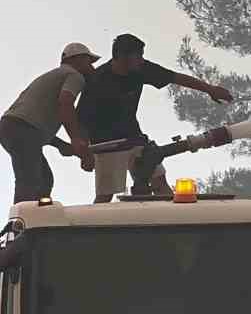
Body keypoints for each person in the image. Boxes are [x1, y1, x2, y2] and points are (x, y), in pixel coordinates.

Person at [72, 33, 233, 202]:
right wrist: (85, 153)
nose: (141, 60)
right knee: (106, 195)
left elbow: (176, 77)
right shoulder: (98, 81)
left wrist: (209, 89)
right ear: (121, 57)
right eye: (138, 56)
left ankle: (171, 222)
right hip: (106, 144)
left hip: (134, 138)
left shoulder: (141, 69)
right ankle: (94, 226)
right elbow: (81, 119)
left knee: (159, 182)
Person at [0, 43, 98, 203]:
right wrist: (76, 139)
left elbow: (32, 123)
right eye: (89, 62)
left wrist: (61, 145)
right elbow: (65, 103)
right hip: (21, 129)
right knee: (31, 180)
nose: (92, 68)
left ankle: (36, 219)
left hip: (11, 127)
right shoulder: (74, 75)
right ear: (78, 59)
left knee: (43, 180)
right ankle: (22, 224)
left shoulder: (56, 74)